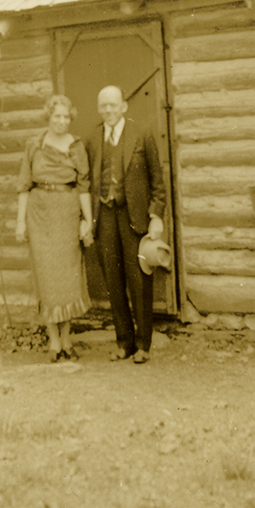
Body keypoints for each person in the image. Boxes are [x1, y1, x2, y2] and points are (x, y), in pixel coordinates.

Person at [88, 85, 166, 364]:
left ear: (124, 106)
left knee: (139, 280)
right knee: (113, 281)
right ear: (99, 109)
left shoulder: (142, 133)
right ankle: (124, 342)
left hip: (135, 218)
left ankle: (143, 345)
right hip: (105, 217)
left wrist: (156, 215)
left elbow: (157, 182)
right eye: (103, 105)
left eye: (113, 104)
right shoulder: (93, 138)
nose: (108, 110)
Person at [15, 94, 93, 362]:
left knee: (68, 277)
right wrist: (20, 222)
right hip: (39, 215)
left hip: (67, 213)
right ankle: (54, 340)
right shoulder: (34, 145)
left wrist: (88, 220)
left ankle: (67, 338)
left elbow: (84, 186)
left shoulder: (77, 146)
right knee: (46, 278)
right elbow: (24, 184)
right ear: (48, 116)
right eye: (57, 116)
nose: (61, 121)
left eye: (66, 117)